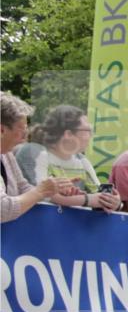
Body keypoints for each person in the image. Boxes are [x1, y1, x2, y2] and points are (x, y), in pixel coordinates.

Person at [13, 104, 121, 213]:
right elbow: (39, 195)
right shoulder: (33, 152)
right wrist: (87, 200)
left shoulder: (82, 160)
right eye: (87, 131)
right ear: (68, 134)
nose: (90, 136)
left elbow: (99, 196)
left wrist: (115, 203)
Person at [1, 92, 77, 222]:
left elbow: (22, 187)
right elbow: (3, 209)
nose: (25, 136)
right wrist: (40, 192)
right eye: (22, 129)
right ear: (2, 130)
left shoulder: (6, 154)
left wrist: (52, 190)